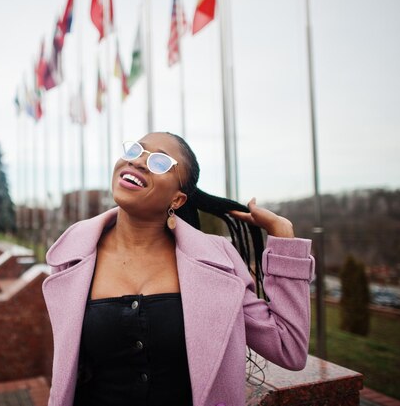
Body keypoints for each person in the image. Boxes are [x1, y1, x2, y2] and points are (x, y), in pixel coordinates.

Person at [42, 132, 314, 406]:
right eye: (136, 151)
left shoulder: (217, 261)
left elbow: (288, 347)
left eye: (160, 162)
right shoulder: (75, 255)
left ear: (177, 200)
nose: (138, 162)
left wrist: (284, 238)